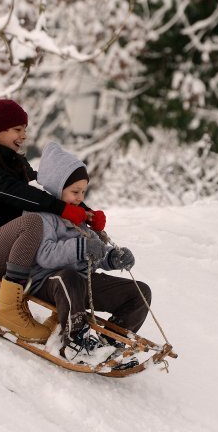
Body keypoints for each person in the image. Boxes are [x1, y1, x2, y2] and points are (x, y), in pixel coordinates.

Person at [0, 99, 105, 342]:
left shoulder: (16, 162)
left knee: (62, 242)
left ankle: (63, 315)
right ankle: (8, 311)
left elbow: (49, 188)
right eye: (17, 129)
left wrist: (86, 213)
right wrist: (62, 209)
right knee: (34, 223)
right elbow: (12, 191)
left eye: (25, 129)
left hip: (20, 249)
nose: (24, 136)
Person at [28, 142, 151, 361]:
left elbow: (95, 250)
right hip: (49, 282)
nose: (80, 197)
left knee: (140, 292)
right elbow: (44, 255)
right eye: (75, 191)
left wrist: (112, 257)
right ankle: (75, 342)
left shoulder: (79, 218)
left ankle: (111, 343)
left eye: (83, 192)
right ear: (57, 187)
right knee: (70, 278)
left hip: (81, 282)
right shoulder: (41, 216)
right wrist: (80, 248)